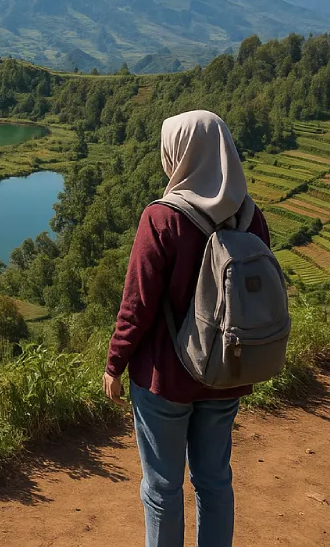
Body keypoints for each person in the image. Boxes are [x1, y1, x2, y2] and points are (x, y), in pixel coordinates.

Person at [103, 110, 270, 547]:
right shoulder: (251, 217)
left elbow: (136, 305)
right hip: (226, 374)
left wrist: (114, 363)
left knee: (162, 489)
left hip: (165, 379)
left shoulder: (162, 218)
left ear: (177, 153)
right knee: (215, 482)